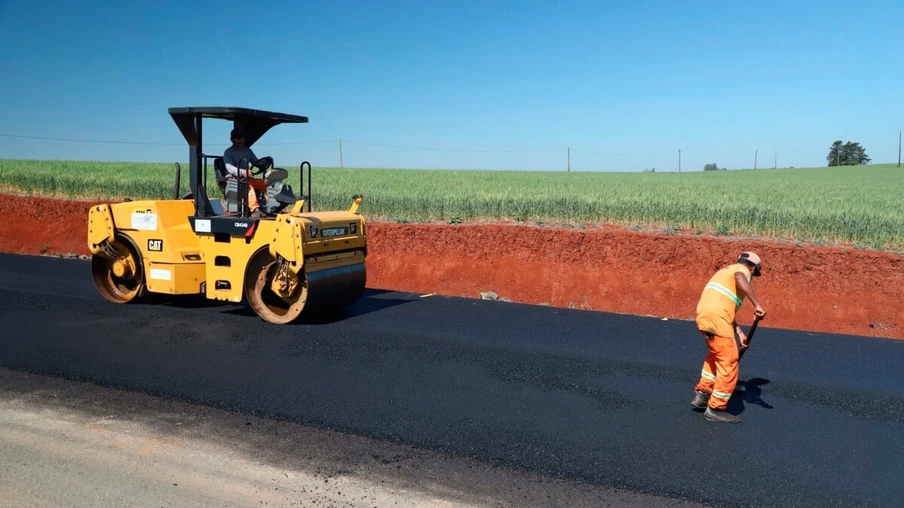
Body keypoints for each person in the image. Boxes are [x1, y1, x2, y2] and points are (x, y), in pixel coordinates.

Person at [690, 251, 767, 423]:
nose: (752, 276)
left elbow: (726, 309)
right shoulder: (741, 271)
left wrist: (739, 334)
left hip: (704, 317)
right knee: (729, 361)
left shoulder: (724, 272)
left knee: (715, 356)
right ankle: (715, 408)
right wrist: (757, 305)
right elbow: (741, 276)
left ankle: (702, 394)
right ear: (753, 267)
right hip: (718, 318)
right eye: (754, 273)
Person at [223, 128, 271, 218]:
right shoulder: (228, 152)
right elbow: (229, 168)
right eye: (238, 138)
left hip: (248, 179)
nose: (241, 140)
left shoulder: (248, 151)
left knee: (266, 184)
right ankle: (254, 209)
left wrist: (264, 162)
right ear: (232, 140)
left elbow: (256, 162)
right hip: (234, 181)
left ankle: (275, 206)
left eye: (242, 138)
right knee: (248, 184)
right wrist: (242, 172)